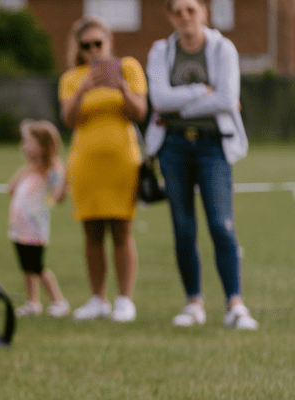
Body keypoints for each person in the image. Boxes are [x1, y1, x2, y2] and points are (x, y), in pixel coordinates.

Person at [145, 0, 257, 330]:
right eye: (177, 11)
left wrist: (179, 107)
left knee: (222, 225)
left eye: (191, 10)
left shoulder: (223, 48)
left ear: (204, 12)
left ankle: (234, 302)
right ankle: (193, 301)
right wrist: (200, 92)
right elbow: (159, 100)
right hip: (173, 147)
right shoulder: (161, 51)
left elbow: (226, 99)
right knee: (183, 227)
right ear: (170, 16)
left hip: (213, 146)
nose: (185, 17)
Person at [59, 16, 148, 322]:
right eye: (86, 46)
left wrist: (122, 86)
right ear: (79, 49)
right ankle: (98, 298)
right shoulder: (72, 77)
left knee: (121, 229)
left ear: (109, 41)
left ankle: (124, 299)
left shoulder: (128, 67)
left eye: (99, 43)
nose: (94, 50)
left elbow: (140, 112)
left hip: (122, 160)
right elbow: (69, 120)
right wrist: (84, 88)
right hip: (85, 162)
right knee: (92, 231)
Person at [7, 119, 69, 318]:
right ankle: (33, 301)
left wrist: (62, 178)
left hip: (35, 228)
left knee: (37, 266)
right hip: (19, 228)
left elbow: (58, 196)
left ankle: (58, 301)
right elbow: (10, 189)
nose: (23, 146)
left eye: (28, 142)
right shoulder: (29, 169)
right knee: (26, 267)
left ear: (43, 145)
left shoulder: (50, 170)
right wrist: (25, 170)